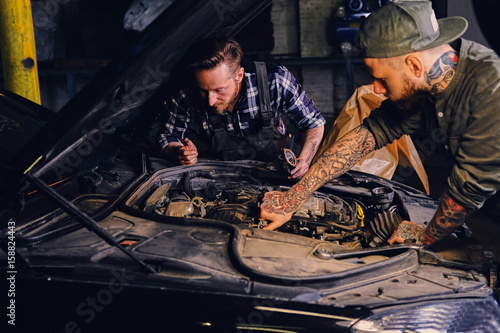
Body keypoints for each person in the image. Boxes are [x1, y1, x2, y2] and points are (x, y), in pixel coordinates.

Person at [260, 0, 500, 246]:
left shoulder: (490, 89)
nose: (377, 89)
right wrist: (293, 198)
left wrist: (425, 236)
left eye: (382, 79)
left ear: (414, 66)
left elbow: (467, 190)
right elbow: (366, 137)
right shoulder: (425, 85)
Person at [158, 36, 325, 178]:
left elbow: (313, 124)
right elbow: (169, 137)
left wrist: (304, 161)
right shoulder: (187, 94)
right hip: (224, 176)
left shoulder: (275, 80)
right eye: (204, 91)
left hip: (279, 172)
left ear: (239, 75)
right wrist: (180, 152)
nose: (210, 101)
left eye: (219, 90)